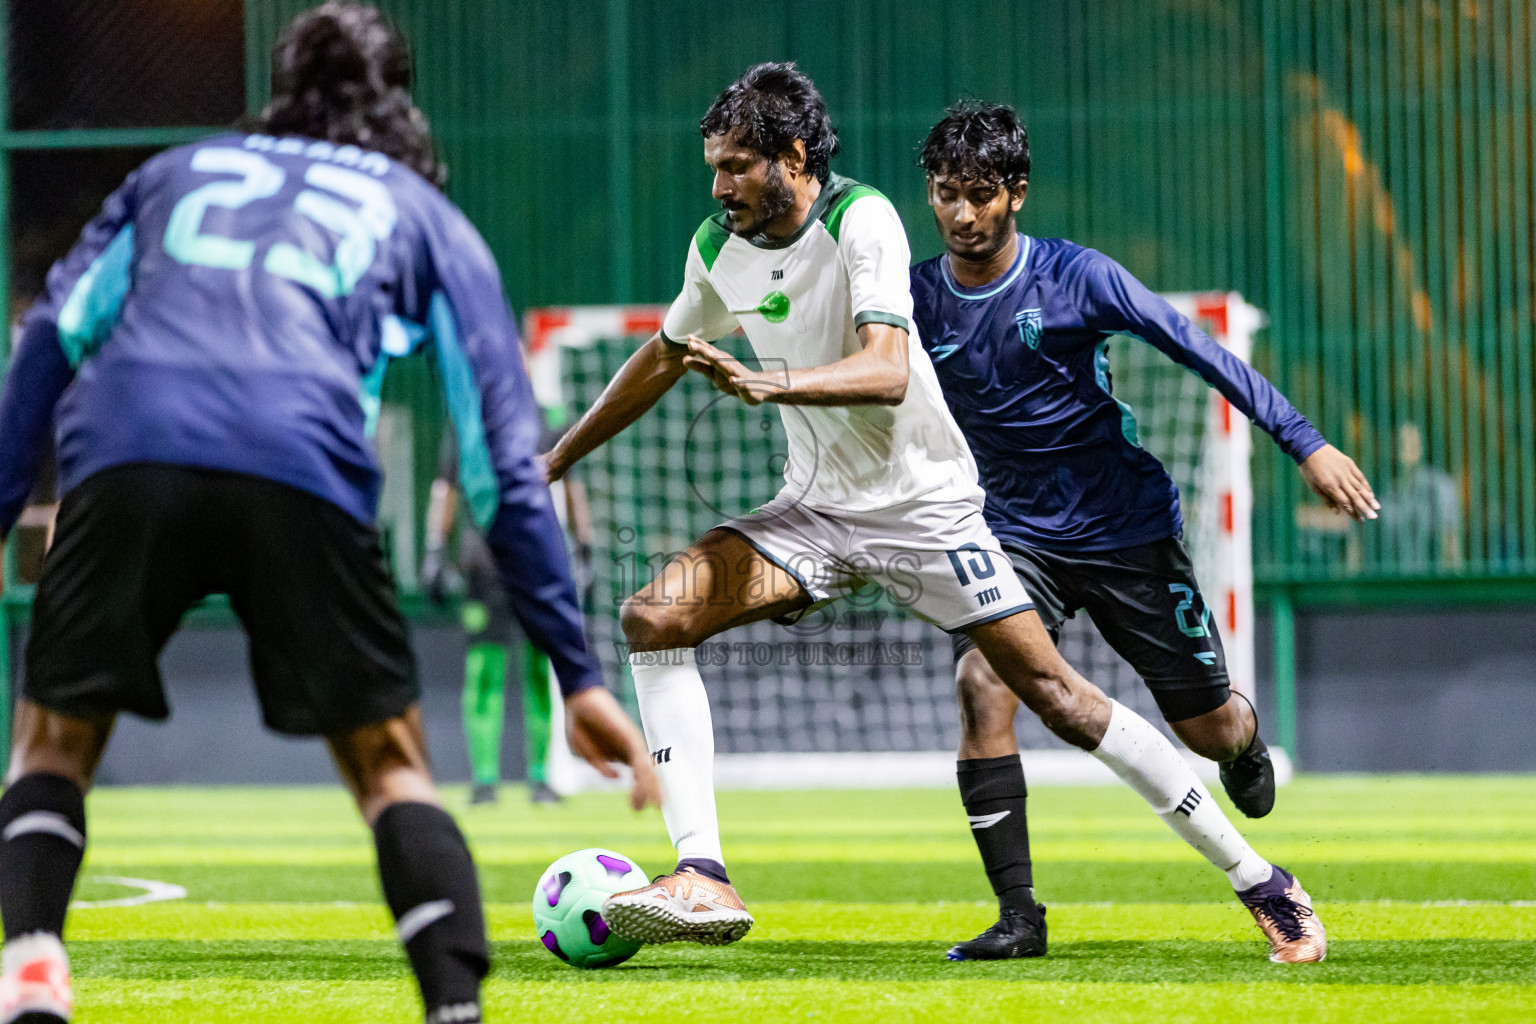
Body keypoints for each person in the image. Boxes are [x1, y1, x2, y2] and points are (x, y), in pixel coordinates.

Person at [546, 63, 1317, 963]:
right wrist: (552, 461)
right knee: (654, 615)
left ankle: (1261, 880)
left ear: (794, 158)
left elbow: (889, 368)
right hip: (817, 510)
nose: (719, 186)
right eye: (714, 167)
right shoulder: (717, 247)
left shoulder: (860, 218)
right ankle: (703, 874)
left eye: (737, 166)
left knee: (1061, 700)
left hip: (926, 512)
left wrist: (771, 382)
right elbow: (667, 351)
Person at [0, 6, 657, 1023]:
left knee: (50, 745)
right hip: (300, 454)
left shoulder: (173, 175)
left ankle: (33, 964)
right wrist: (575, 670)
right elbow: (501, 470)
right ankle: (452, 1007)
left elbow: (50, 333)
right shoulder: (427, 217)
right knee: (393, 769)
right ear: (400, 101)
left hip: (125, 446)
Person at [909, 101, 1373, 963]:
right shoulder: (913, 296)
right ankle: (1019, 918)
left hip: (1126, 531)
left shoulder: (1077, 277)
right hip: (1012, 536)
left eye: (979, 194)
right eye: (945, 194)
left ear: (1016, 193)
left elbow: (1201, 350)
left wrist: (1306, 444)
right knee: (982, 683)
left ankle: (1243, 739)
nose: (962, 214)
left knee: (1206, 731)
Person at [424, 408, 595, 805]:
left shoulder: (549, 421)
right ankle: (484, 781)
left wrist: (584, 546)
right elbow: (443, 487)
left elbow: (573, 486)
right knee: (485, 672)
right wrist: (434, 549)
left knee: (540, 671)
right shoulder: (466, 425)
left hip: (539, 566)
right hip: (484, 569)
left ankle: (540, 779)